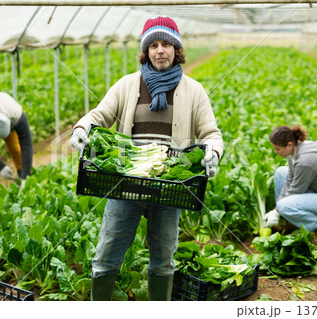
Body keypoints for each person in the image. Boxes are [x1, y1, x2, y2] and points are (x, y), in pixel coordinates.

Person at [70, 16, 223, 301]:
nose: (160, 51)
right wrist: (82, 127)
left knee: (163, 259)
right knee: (106, 255)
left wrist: (213, 151)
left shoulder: (194, 90)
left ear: (177, 50)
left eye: (166, 44)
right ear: (146, 51)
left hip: (169, 188)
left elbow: (210, 132)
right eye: (153, 45)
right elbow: (99, 115)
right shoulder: (127, 85)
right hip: (125, 183)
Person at [264, 125, 317, 245]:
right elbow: (290, 178)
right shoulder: (295, 151)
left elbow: (296, 190)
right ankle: (292, 221)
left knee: (284, 205)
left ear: (289, 144)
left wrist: (277, 210)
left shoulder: (305, 161)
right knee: (281, 172)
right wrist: (277, 209)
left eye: (277, 149)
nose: (275, 152)